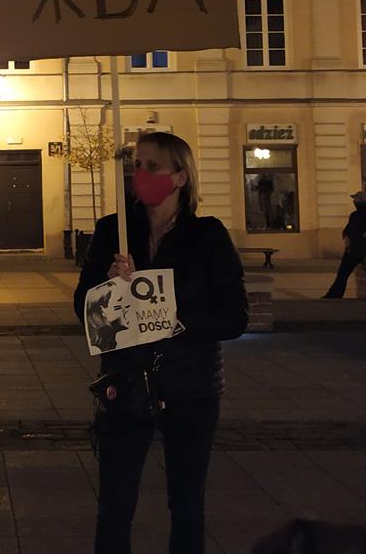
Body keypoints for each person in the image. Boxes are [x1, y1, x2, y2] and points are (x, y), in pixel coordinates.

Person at [73, 131, 250, 554]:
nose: (141, 174)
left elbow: (234, 316)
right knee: (114, 505)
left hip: (191, 387)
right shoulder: (113, 231)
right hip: (125, 383)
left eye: (153, 166)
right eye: (137, 165)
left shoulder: (207, 235)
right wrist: (110, 288)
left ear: (180, 177)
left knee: (187, 504)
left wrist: (173, 320)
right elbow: (83, 307)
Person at [325, 191, 366, 299]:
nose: (354, 201)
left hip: (362, 249)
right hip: (351, 249)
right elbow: (347, 229)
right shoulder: (354, 215)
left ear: (361, 201)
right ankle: (334, 295)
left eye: (356, 199)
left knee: (352, 274)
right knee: (342, 274)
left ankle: (334, 295)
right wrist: (346, 236)